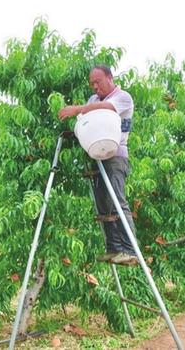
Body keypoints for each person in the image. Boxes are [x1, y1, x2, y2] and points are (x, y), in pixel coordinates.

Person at [58, 65, 138, 266]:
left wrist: (75, 109)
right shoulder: (94, 100)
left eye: (98, 82)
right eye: (92, 83)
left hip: (116, 156)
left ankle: (129, 250)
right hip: (98, 156)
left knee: (118, 202)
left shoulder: (122, 97)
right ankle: (114, 248)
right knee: (104, 206)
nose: (95, 87)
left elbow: (106, 109)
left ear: (110, 78)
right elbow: (85, 119)